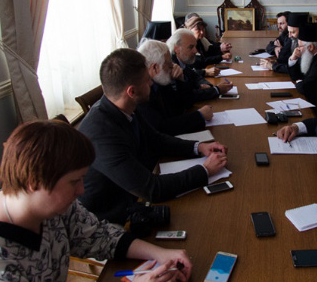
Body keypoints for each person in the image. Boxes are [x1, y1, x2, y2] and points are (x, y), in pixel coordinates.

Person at [0, 120, 193, 282]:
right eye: (74, 181)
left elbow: (99, 235)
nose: (82, 190)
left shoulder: (42, 204)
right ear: (36, 182)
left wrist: (159, 253)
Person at [78, 48, 228, 224]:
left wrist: (199, 147)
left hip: (136, 191)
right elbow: (152, 189)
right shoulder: (101, 133)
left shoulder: (123, 106)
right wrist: (205, 170)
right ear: (131, 92)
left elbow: (156, 138)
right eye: (147, 80)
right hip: (114, 216)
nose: (151, 82)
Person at [136, 39, 213, 135]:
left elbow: (183, 106)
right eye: (168, 63)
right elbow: (161, 128)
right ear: (155, 67)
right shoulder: (141, 91)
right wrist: (199, 116)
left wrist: (180, 79)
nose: (173, 66)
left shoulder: (160, 80)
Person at [167, 28, 234, 103]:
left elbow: (195, 76)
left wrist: (204, 84)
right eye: (191, 47)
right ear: (176, 49)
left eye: (195, 46)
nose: (195, 51)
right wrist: (217, 90)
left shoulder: (182, 60)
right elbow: (187, 96)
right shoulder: (171, 66)